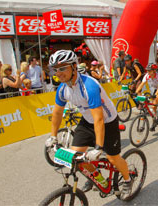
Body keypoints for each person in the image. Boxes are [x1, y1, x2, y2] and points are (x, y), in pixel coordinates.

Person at [45, 50, 133, 198]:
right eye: (55, 69)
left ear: (74, 66)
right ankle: (100, 181)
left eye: (62, 68)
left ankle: (127, 179)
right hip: (87, 121)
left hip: (107, 121)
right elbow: (57, 113)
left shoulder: (89, 86)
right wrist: (53, 137)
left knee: (113, 158)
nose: (58, 73)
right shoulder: (62, 88)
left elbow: (99, 119)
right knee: (75, 157)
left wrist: (98, 147)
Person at [136, 63, 158, 131]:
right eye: (147, 70)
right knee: (153, 107)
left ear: (154, 71)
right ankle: (155, 121)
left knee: (157, 97)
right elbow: (141, 85)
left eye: (149, 71)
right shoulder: (147, 76)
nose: (148, 72)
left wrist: (155, 95)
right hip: (156, 90)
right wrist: (136, 92)